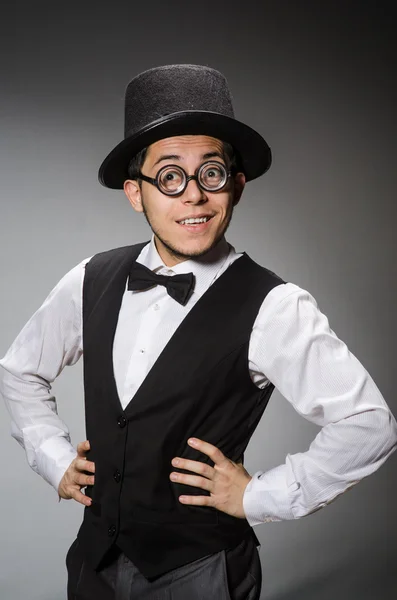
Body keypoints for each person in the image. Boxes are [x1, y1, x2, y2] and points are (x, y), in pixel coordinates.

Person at [1, 64, 396, 600]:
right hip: (92, 563)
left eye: (210, 173)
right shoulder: (90, 278)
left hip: (201, 573)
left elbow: (369, 425)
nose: (193, 195)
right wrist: (54, 459)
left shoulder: (275, 307)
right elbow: (19, 370)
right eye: (169, 175)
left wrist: (259, 497)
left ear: (235, 186)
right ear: (136, 193)